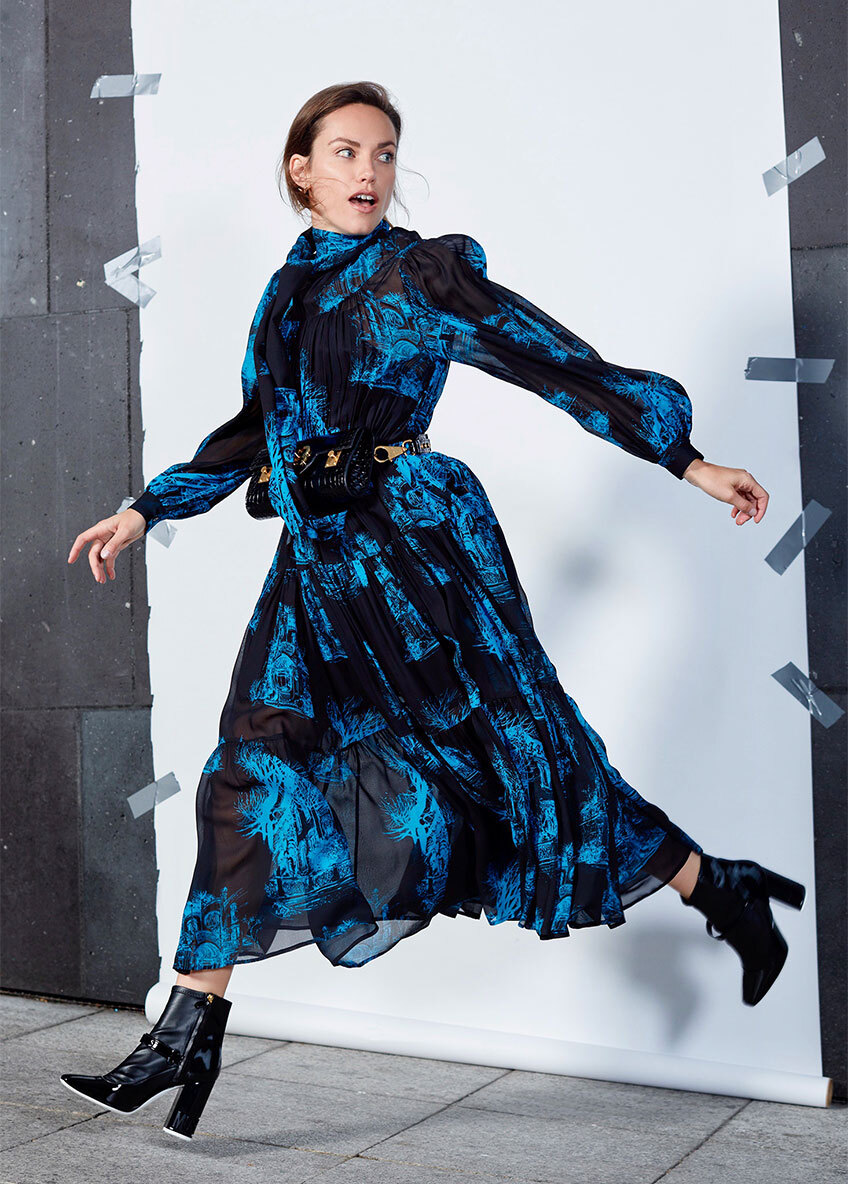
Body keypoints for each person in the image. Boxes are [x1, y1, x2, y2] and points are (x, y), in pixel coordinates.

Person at [60, 82, 806, 1141]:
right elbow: (257, 426)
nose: (369, 171)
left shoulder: (419, 273)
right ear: (300, 170)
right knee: (246, 770)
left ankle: (715, 885)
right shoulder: (286, 288)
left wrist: (685, 460)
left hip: (417, 560)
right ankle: (187, 1031)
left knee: (522, 763)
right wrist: (148, 508)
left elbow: (548, 358)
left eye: (383, 153)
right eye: (345, 152)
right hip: (316, 566)